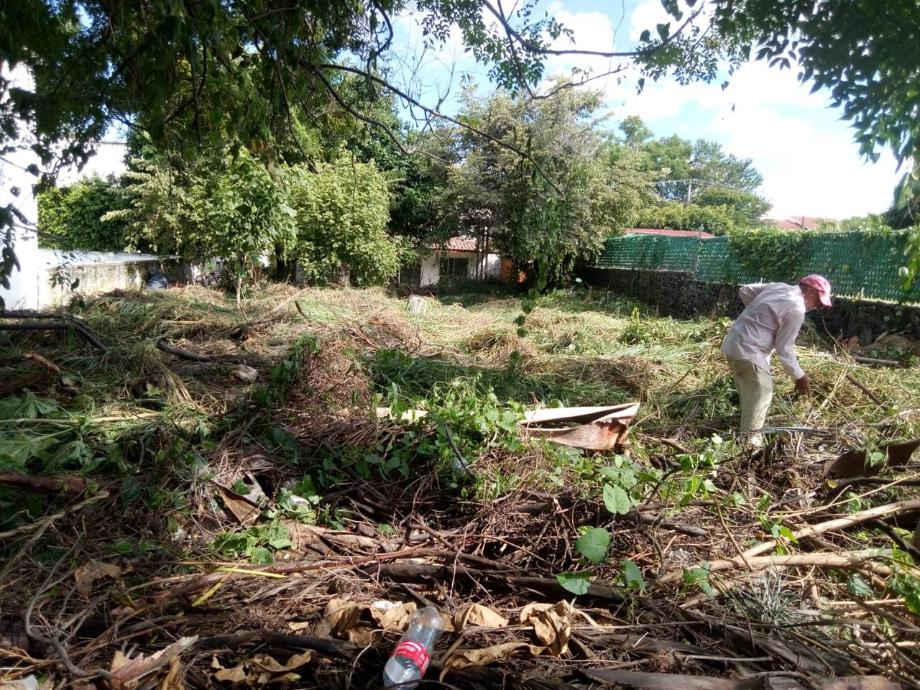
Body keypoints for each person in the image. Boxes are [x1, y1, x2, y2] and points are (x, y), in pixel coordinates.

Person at [720, 274, 833, 446]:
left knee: (749, 391)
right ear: (809, 290)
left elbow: (745, 290)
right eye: (818, 300)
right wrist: (800, 376)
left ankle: (743, 427)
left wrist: (759, 317)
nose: (816, 306)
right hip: (749, 351)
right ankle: (749, 443)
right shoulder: (796, 309)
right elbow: (784, 349)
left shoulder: (779, 287)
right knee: (762, 393)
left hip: (733, 343)